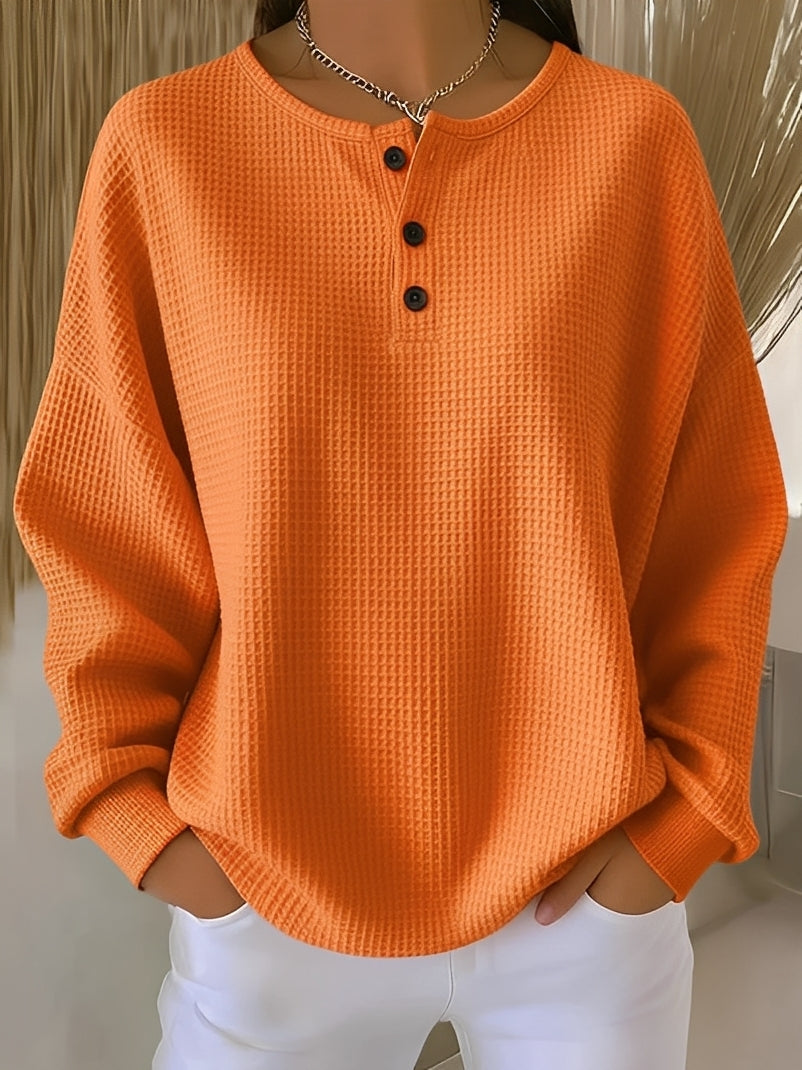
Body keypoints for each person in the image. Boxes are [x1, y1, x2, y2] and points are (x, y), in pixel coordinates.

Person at [12, 1, 788, 1067]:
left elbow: (714, 512)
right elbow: (103, 517)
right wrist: (138, 818)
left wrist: (681, 825)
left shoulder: (632, 141)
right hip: (264, 906)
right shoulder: (166, 146)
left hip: (584, 912)